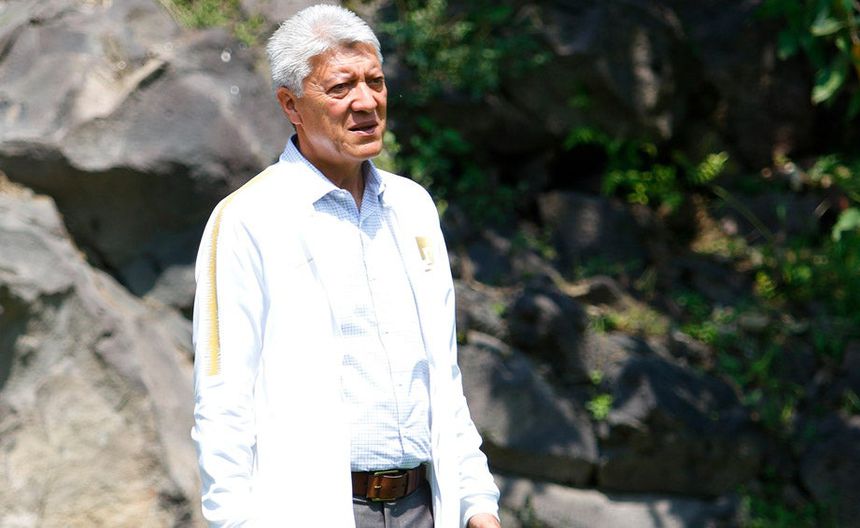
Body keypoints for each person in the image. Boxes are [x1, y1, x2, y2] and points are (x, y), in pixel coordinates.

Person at [191, 4, 501, 527]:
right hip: (313, 511)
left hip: (424, 507)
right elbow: (222, 398)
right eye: (340, 88)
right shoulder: (248, 218)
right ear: (291, 105)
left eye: (375, 81)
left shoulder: (413, 207)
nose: (366, 102)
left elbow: (442, 376)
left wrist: (477, 503)